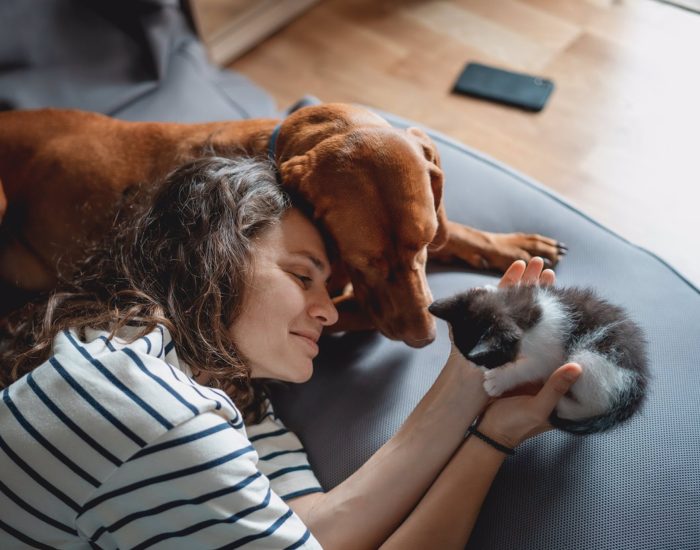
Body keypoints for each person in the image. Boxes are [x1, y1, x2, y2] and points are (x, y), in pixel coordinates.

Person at [0, 156, 581, 548]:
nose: (329, 312)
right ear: (210, 255)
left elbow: (323, 528)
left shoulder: (236, 398)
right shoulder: (147, 406)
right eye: (303, 277)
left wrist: (473, 387)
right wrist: (491, 444)